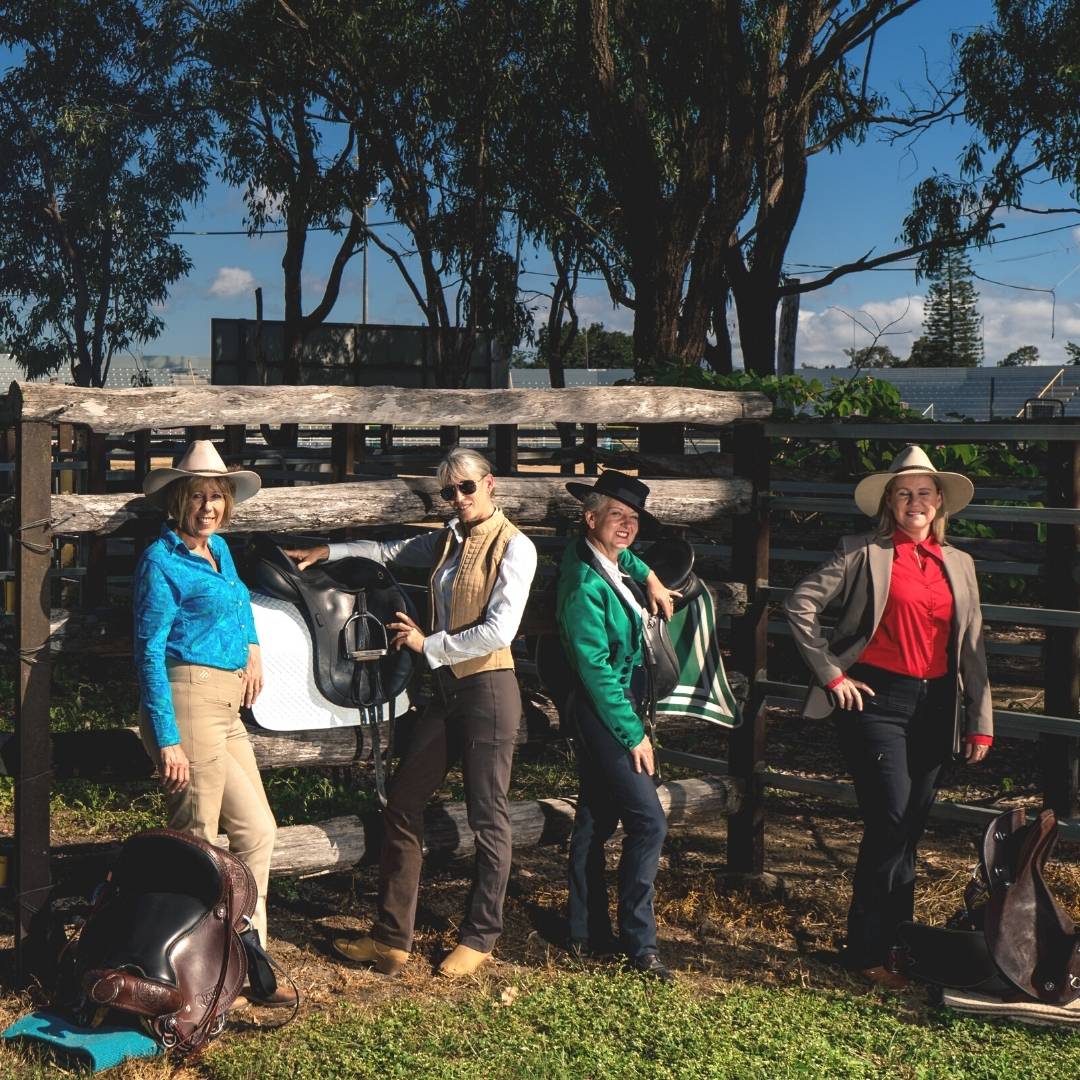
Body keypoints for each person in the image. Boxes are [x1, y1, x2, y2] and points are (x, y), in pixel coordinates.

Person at [286, 447, 537, 978]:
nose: (458, 499)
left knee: (488, 815)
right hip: (445, 693)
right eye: (448, 492)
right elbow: (390, 550)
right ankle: (391, 939)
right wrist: (330, 550)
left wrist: (429, 645)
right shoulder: (448, 538)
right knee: (401, 804)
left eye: (466, 488)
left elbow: (500, 631)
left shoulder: (516, 547)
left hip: (489, 688)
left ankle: (482, 935)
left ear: (489, 485)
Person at [784, 445, 992, 990]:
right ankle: (867, 952)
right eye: (904, 493)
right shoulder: (860, 552)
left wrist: (981, 719)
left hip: (939, 705)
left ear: (939, 501)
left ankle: (896, 948)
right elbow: (799, 604)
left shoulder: (960, 564)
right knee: (891, 823)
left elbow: (972, 647)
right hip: (877, 702)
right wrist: (831, 674)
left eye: (924, 492)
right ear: (889, 502)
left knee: (910, 830)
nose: (915, 501)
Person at [134, 441, 297, 1007]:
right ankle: (190, 979)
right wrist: (168, 739)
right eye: (198, 496)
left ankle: (247, 958)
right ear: (179, 501)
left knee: (257, 831)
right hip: (189, 698)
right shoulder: (161, 561)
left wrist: (251, 645)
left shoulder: (219, 551)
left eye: (217, 497)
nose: (208, 506)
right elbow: (150, 651)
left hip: (226, 705)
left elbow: (240, 604)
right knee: (197, 841)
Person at [556, 471, 680, 982]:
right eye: (616, 516)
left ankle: (583, 930)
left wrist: (649, 575)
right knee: (649, 821)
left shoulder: (606, 559)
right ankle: (640, 943)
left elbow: (623, 556)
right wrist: (632, 731)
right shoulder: (584, 583)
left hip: (616, 702)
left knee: (595, 817)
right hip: (604, 706)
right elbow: (594, 667)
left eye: (633, 519)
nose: (627, 526)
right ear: (591, 519)